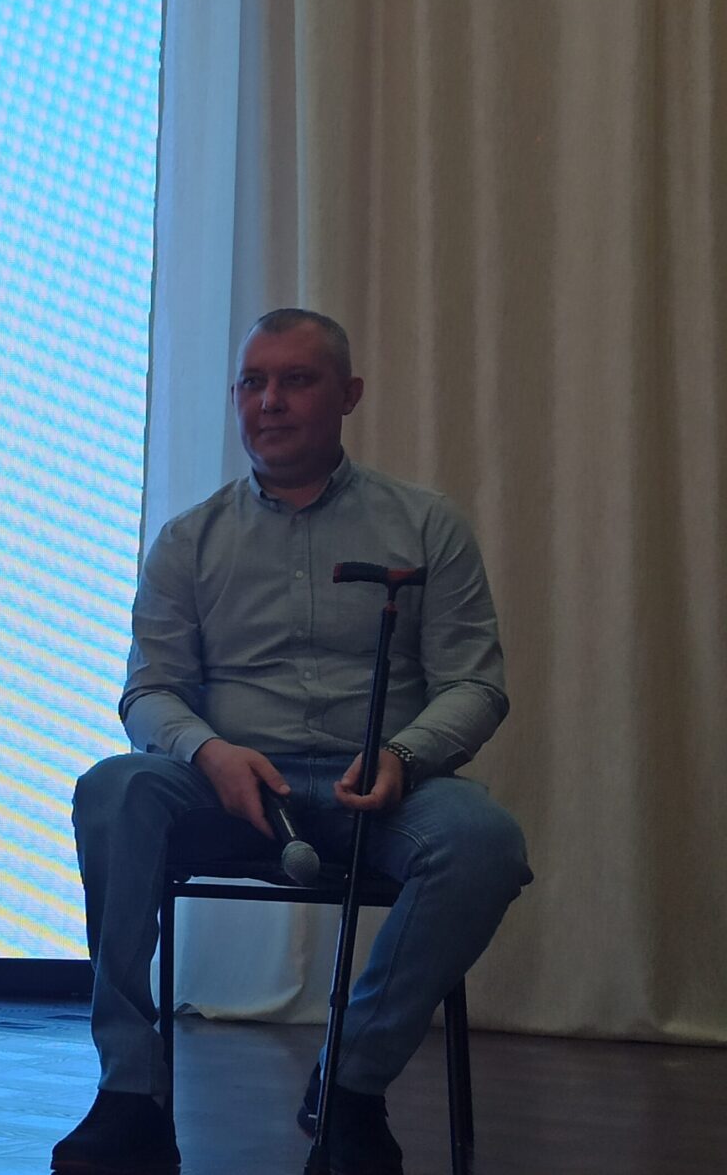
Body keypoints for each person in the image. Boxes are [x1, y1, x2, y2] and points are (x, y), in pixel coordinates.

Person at [51, 308, 531, 1175]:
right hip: (227, 789)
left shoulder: (427, 525)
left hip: (379, 791)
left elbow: (476, 683)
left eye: (296, 380)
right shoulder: (189, 540)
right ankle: (129, 1092)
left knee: (483, 841)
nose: (269, 401)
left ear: (348, 394)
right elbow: (149, 691)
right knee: (113, 790)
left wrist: (404, 755)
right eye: (253, 382)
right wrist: (209, 752)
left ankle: (350, 1084)